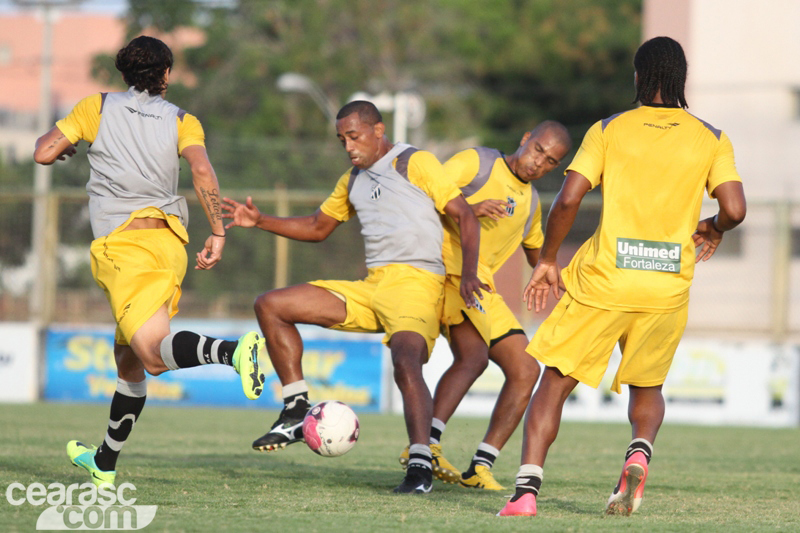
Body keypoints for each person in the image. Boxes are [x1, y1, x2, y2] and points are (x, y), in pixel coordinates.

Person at [498, 36, 746, 517]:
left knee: (554, 382)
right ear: (681, 80)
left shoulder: (609, 128)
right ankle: (638, 452)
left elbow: (568, 199)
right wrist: (712, 228)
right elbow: (734, 208)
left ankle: (526, 494)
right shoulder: (711, 137)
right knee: (648, 390)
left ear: (637, 77)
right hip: (667, 286)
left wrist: (548, 259)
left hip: (605, 281)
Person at [33, 36, 265, 487]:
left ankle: (234, 352)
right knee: (129, 363)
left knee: (152, 357)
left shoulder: (95, 107)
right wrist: (218, 232)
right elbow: (201, 171)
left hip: (125, 249)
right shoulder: (183, 119)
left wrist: (64, 147)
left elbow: (43, 151)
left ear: (122, 72)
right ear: (166, 75)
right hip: (168, 247)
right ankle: (104, 461)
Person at [221, 100, 487, 493]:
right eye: (341, 139)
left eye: (354, 136)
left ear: (379, 131)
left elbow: (464, 214)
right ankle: (296, 406)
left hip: (416, 284)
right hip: (371, 286)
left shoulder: (415, 162)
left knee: (406, 360)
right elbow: (317, 227)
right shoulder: (352, 180)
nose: (348, 146)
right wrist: (260, 221)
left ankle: (420, 466)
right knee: (271, 304)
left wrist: (468, 274)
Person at [397, 122, 572, 490]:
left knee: (524, 369)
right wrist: (469, 208)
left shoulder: (532, 204)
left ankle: (479, 463)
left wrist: (568, 278)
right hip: (444, 273)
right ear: (525, 138)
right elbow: (418, 195)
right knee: (477, 358)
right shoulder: (478, 162)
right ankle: (425, 446)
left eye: (550, 161)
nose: (539, 162)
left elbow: (539, 255)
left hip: (480, 288)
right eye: (538, 150)